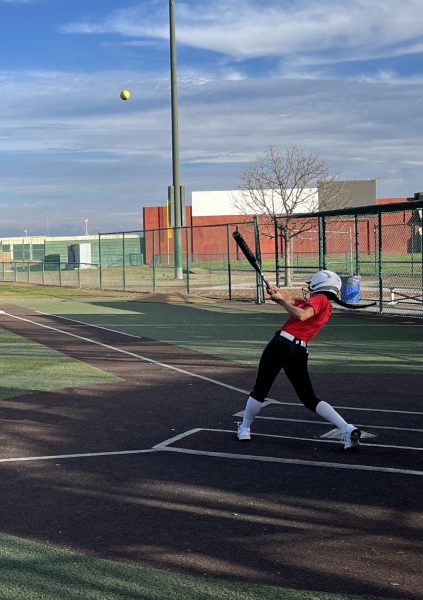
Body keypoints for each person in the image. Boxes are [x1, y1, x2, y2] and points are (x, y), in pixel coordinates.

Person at [237, 269, 361, 450]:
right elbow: (292, 302)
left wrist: (281, 301)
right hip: (298, 351)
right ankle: (346, 428)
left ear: (320, 285)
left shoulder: (320, 300)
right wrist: (279, 296)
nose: (309, 288)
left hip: (281, 345)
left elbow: (301, 314)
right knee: (309, 398)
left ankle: (245, 428)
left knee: (260, 389)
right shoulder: (324, 304)